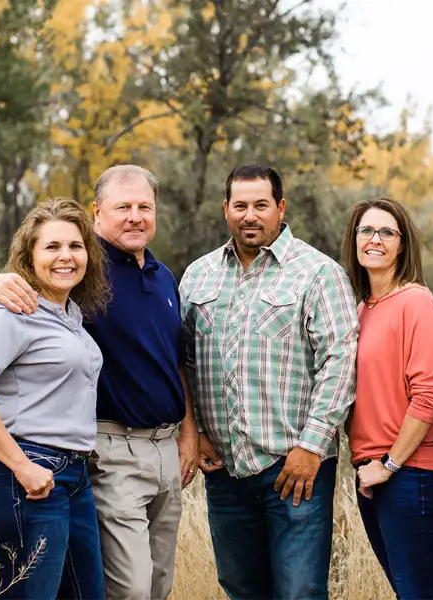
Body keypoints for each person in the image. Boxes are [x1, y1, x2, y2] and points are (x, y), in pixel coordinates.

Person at [0, 165, 199, 600]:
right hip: (109, 448)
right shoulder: (80, 271)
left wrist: (188, 431)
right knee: (129, 590)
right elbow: (13, 305)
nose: (135, 216)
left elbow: (173, 361)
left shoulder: (164, 276)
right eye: (123, 208)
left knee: (157, 586)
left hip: (166, 451)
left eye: (144, 207)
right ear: (98, 212)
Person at [180, 163, 359, 600]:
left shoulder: (318, 273)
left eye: (261, 205)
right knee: (242, 588)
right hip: (224, 470)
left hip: (294, 468)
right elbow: (182, 362)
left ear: (280, 207)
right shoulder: (198, 276)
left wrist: (312, 446)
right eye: (239, 205)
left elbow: (339, 362)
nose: (250, 215)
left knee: (298, 591)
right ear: (225, 209)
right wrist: (198, 432)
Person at [0, 197, 108, 599]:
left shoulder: (69, 317)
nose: (65, 257)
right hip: (23, 478)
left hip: (72, 478)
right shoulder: (11, 312)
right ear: (29, 256)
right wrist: (22, 466)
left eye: (75, 246)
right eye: (51, 247)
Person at [340, 197, 433, 600]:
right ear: (354, 240)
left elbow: (429, 394)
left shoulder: (415, 302)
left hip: (410, 474)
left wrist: (390, 464)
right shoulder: (360, 309)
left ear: (402, 244)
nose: (375, 239)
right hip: (372, 474)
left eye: (387, 232)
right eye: (366, 230)